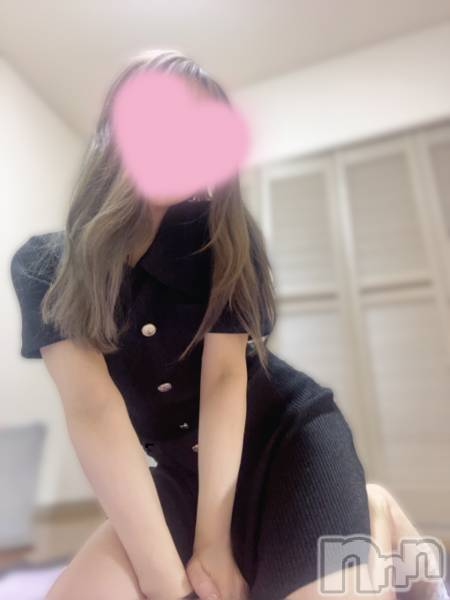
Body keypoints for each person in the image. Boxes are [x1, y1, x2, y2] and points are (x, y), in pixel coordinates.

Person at [10, 49, 448, 600]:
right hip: (181, 473)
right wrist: (168, 582)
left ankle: (373, 512)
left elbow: (223, 379)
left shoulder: (226, 245)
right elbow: (93, 410)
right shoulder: (47, 265)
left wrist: (213, 544)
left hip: (289, 443)